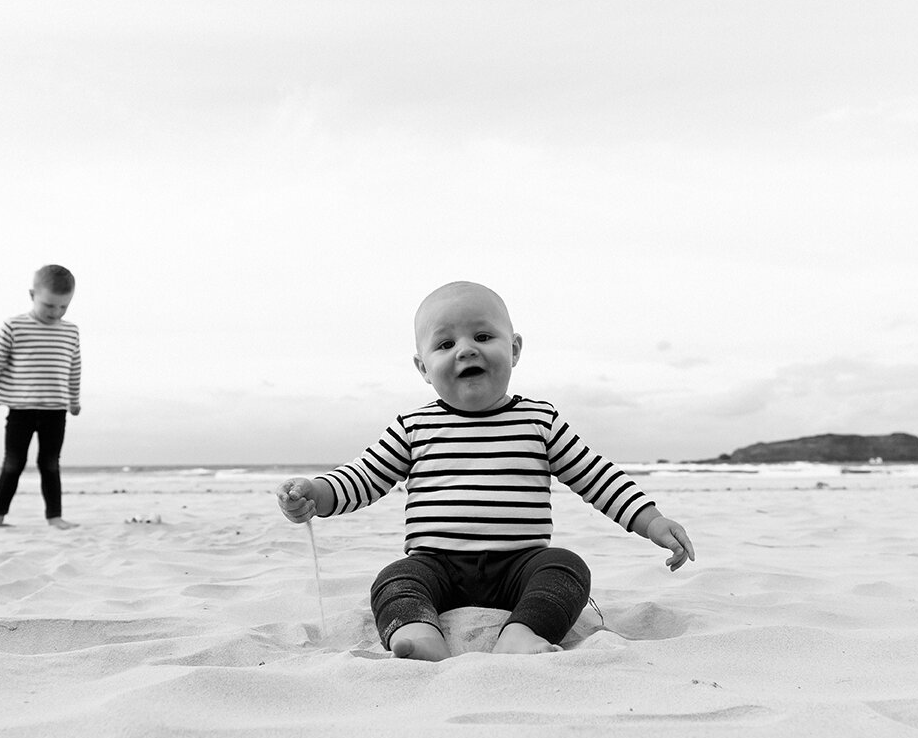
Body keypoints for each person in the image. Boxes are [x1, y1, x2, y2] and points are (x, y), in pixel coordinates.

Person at [276, 281, 694, 661]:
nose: (465, 349)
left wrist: (652, 521)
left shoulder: (540, 422)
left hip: (520, 566)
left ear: (513, 349)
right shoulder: (414, 428)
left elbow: (596, 478)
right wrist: (316, 492)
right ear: (423, 368)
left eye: (482, 336)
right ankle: (418, 631)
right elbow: (363, 478)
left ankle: (523, 632)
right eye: (444, 344)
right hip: (435, 566)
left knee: (567, 568)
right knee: (396, 580)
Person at [0, 264, 82, 529]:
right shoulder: (14, 327)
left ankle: (55, 517)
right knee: (13, 463)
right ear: (32, 294)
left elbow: (74, 367)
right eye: (49, 305)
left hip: (55, 410)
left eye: (63, 307)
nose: (55, 312)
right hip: (21, 410)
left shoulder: (70, 331)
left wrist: (74, 399)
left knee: (50, 464)